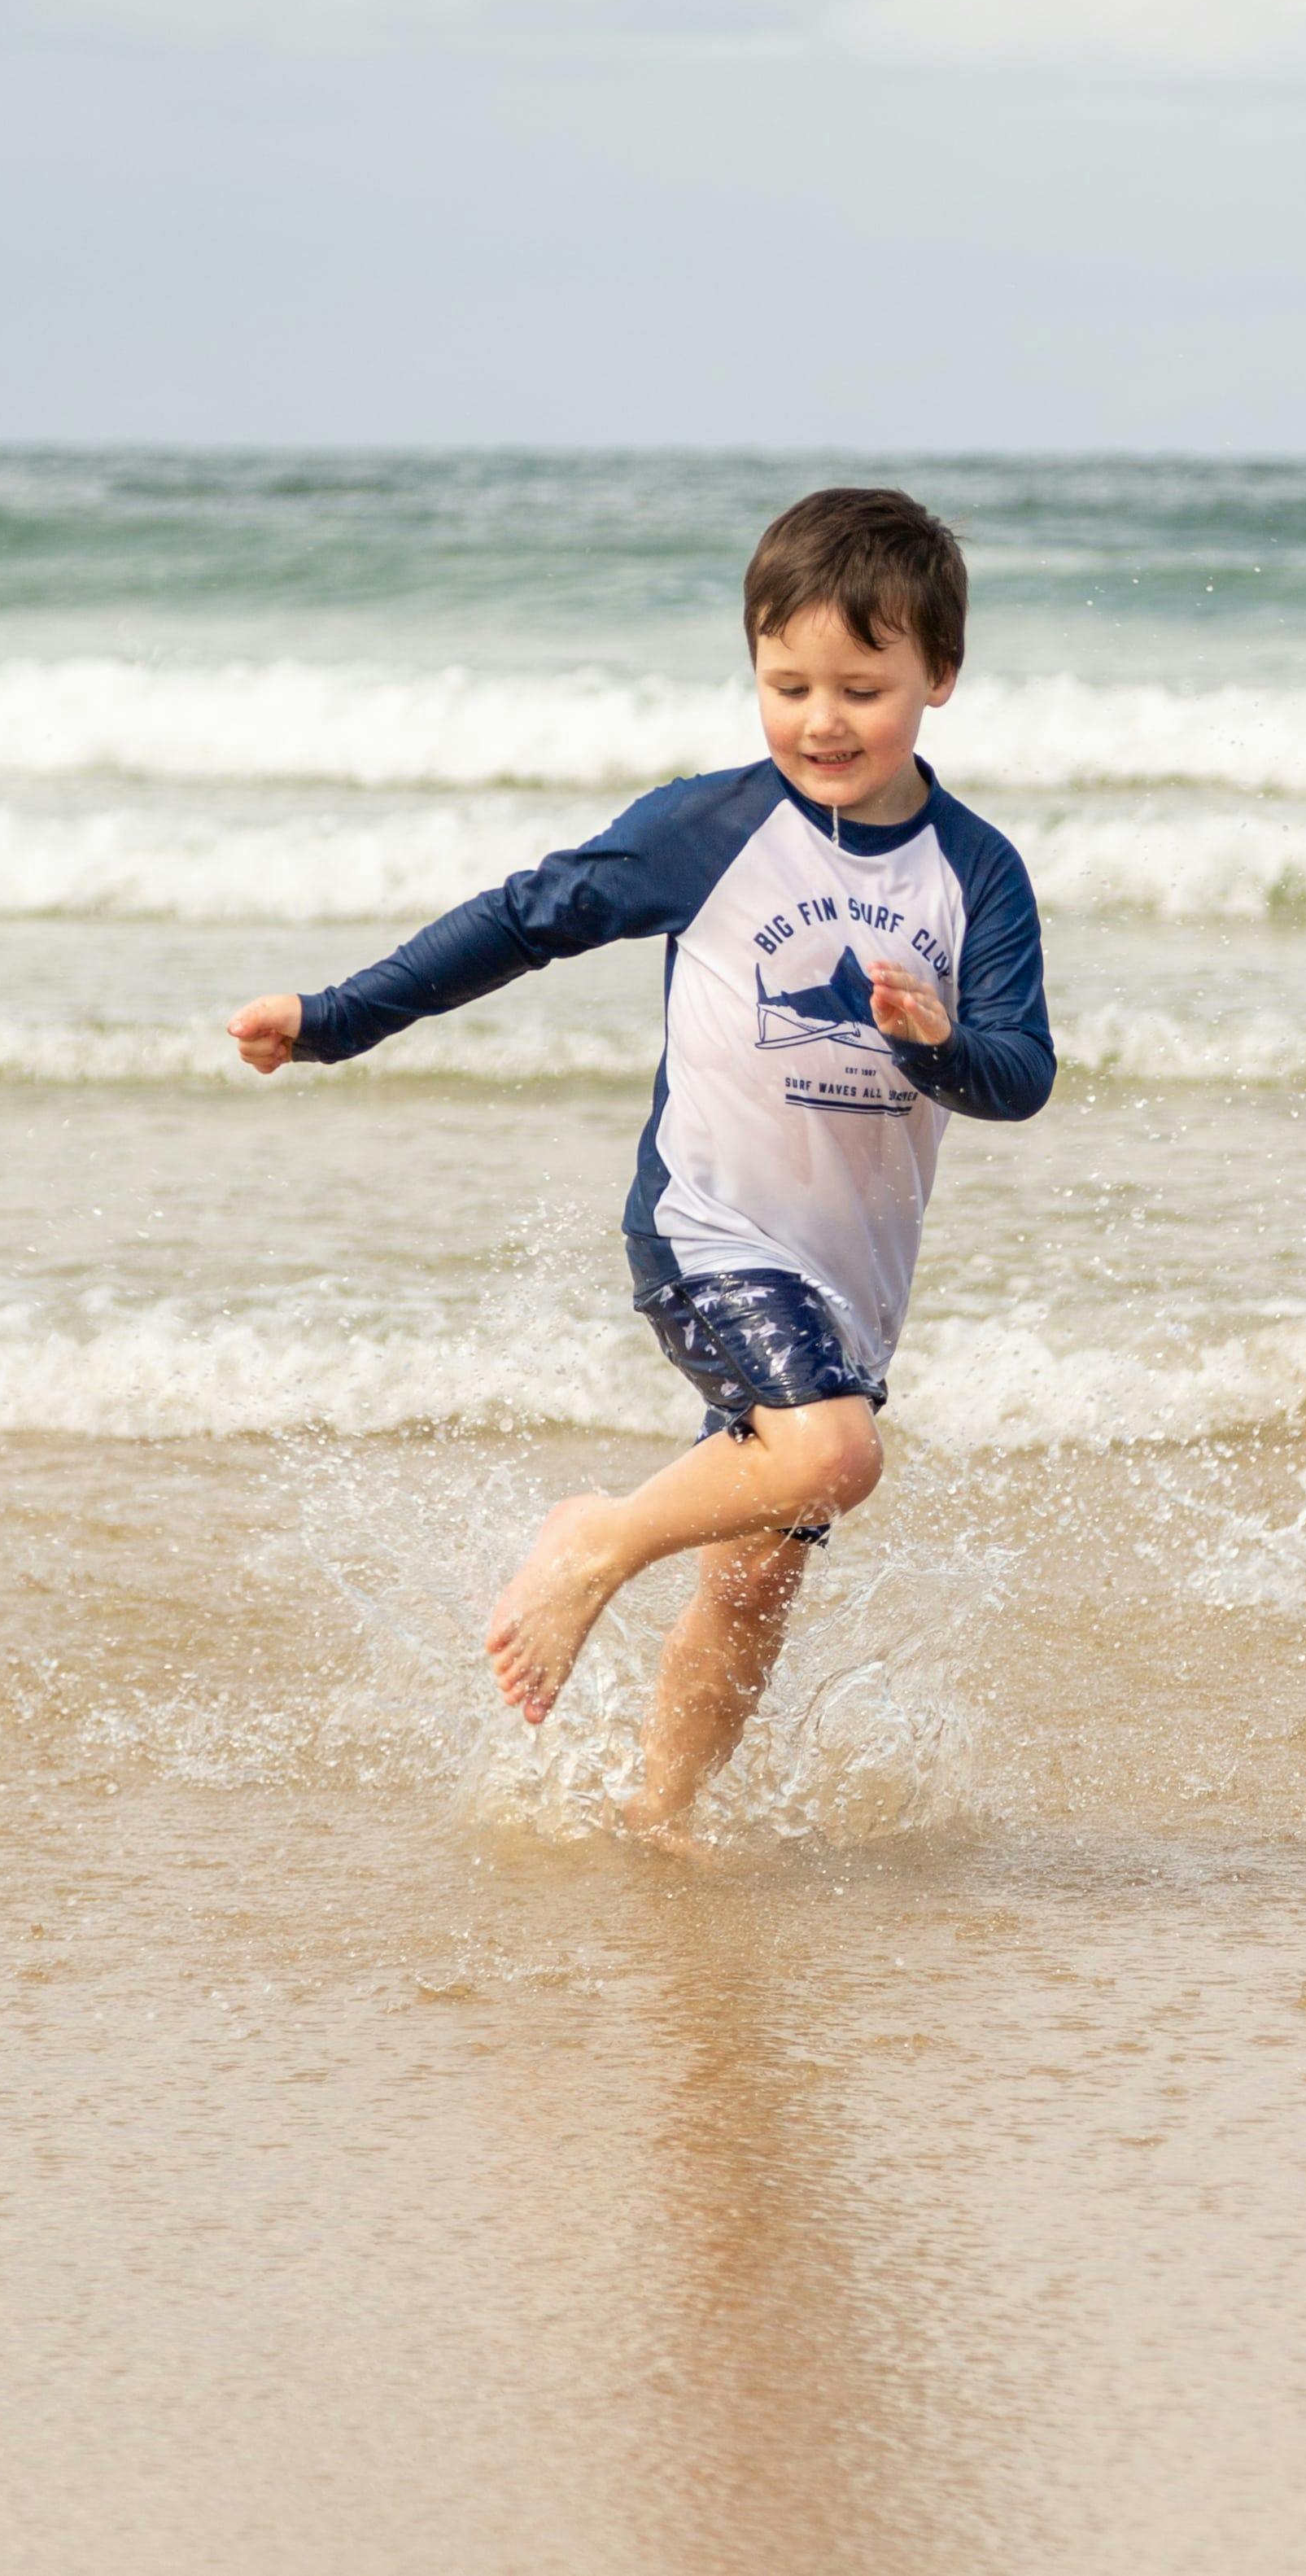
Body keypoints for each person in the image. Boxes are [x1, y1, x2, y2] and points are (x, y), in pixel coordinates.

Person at [227, 488, 1051, 1841]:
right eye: (787, 686)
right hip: (709, 1230)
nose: (822, 721)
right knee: (835, 1455)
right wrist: (334, 1020)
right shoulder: (708, 830)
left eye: (862, 688)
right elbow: (526, 917)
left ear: (939, 677)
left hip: (851, 1283)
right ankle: (594, 1540)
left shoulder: (977, 874)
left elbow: (1021, 1073)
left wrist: (940, 1043)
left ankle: (658, 1815)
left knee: (754, 1578)